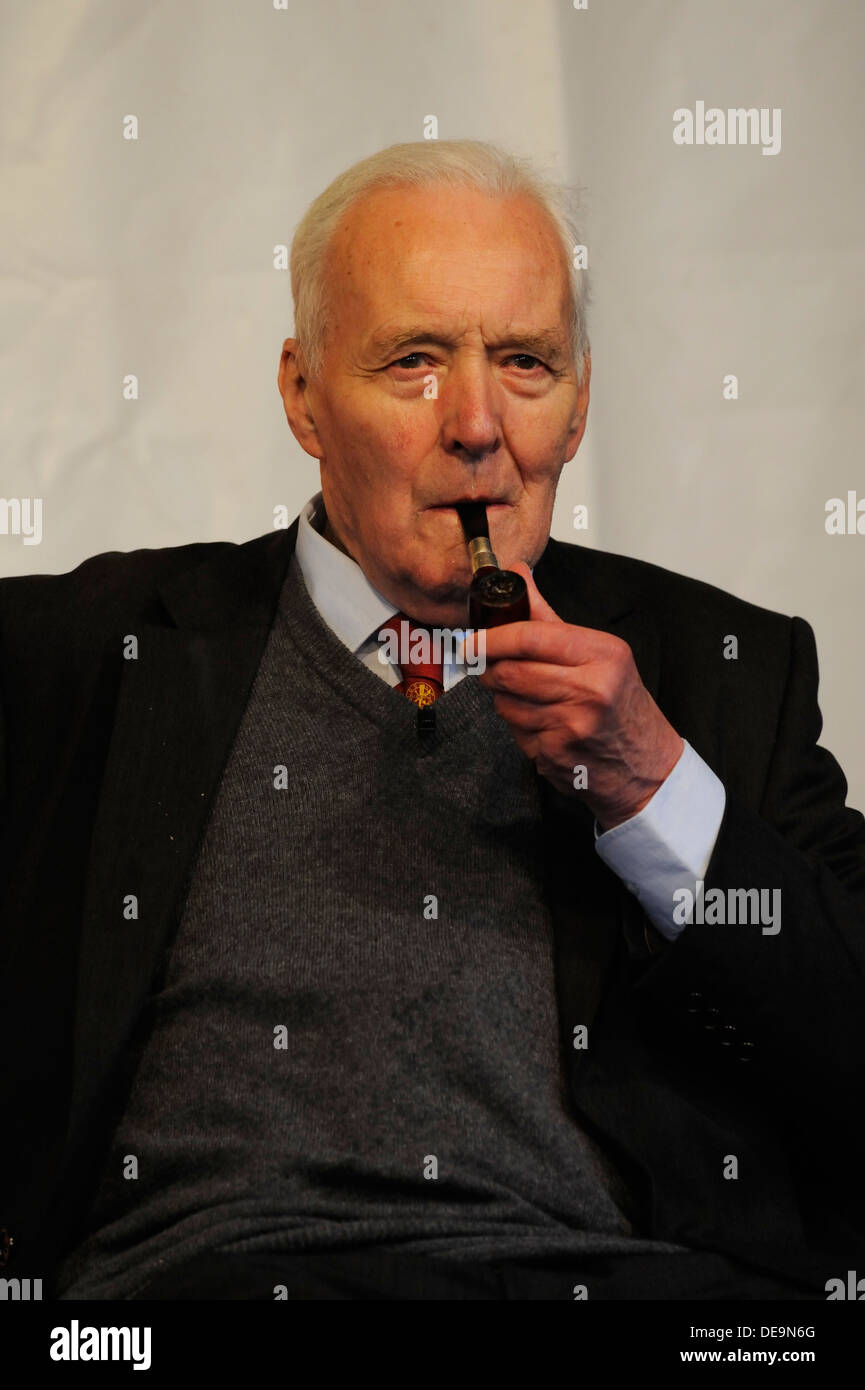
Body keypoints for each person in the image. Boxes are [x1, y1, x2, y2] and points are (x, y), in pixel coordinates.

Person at [1, 140, 863, 1302]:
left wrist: (656, 787)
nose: (474, 423)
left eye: (524, 363)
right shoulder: (81, 654)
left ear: (579, 404)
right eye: (412, 361)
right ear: (303, 395)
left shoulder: (722, 674)